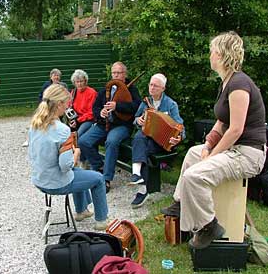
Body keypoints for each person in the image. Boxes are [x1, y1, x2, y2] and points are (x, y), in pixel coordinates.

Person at [161, 31, 267, 249]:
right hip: (235, 149)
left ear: (221, 55)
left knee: (194, 176)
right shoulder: (226, 82)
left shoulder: (239, 84)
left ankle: (209, 225)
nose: (209, 55)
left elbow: (235, 130)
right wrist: (208, 145)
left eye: (212, 51)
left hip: (248, 154)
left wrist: (213, 155)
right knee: (193, 153)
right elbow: (220, 123)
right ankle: (180, 203)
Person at [28, 84, 108, 230]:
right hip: (56, 183)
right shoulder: (62, 129)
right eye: (66, 104)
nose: (68, 107)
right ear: (59, 104)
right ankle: (102, 220)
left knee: (79, 173)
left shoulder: (35, 124)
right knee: (98, 179)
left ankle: (81, 211)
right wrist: (76, 153)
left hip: (39, 179)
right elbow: (66, 166)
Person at [79, 61, 141, 193]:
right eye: (114, 73)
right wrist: (100, 113)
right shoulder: (106, 88)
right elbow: (95, 107)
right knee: (83, 141)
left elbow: (136, 107)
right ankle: (99, 166)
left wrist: (117, 106)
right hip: (103, 124)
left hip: (121, 126)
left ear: (125, 74)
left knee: (111, 142)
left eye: (119, 73)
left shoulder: (131, 89)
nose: (116, 75)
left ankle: (106, 179)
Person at [129, 73, 184, 208]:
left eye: (155, 86)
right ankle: (138, 177)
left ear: (163, 88)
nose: (152, 88)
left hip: (161, 142)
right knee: (140, 137)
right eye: (151, 84)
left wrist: (179, 137)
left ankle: (140, 185)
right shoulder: (145, 102)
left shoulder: (171, 104)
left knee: (141, 145)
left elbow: (180, 126)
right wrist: (139, 120)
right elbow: (135, 118)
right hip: (147, 137)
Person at [68, 69, 98, 168]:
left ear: (85, 81)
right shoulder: (73, 92)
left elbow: (91, 113)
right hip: (77, 119)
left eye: (81, 81)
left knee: (79, 135)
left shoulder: (92, 92)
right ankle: (70, 159)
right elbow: (69, 108)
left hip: (89, 120)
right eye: (77, 82)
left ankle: (83, 161)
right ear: (74, 83)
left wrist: (78, 120)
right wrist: (72, 120)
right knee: (66, 134)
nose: (79, 84)